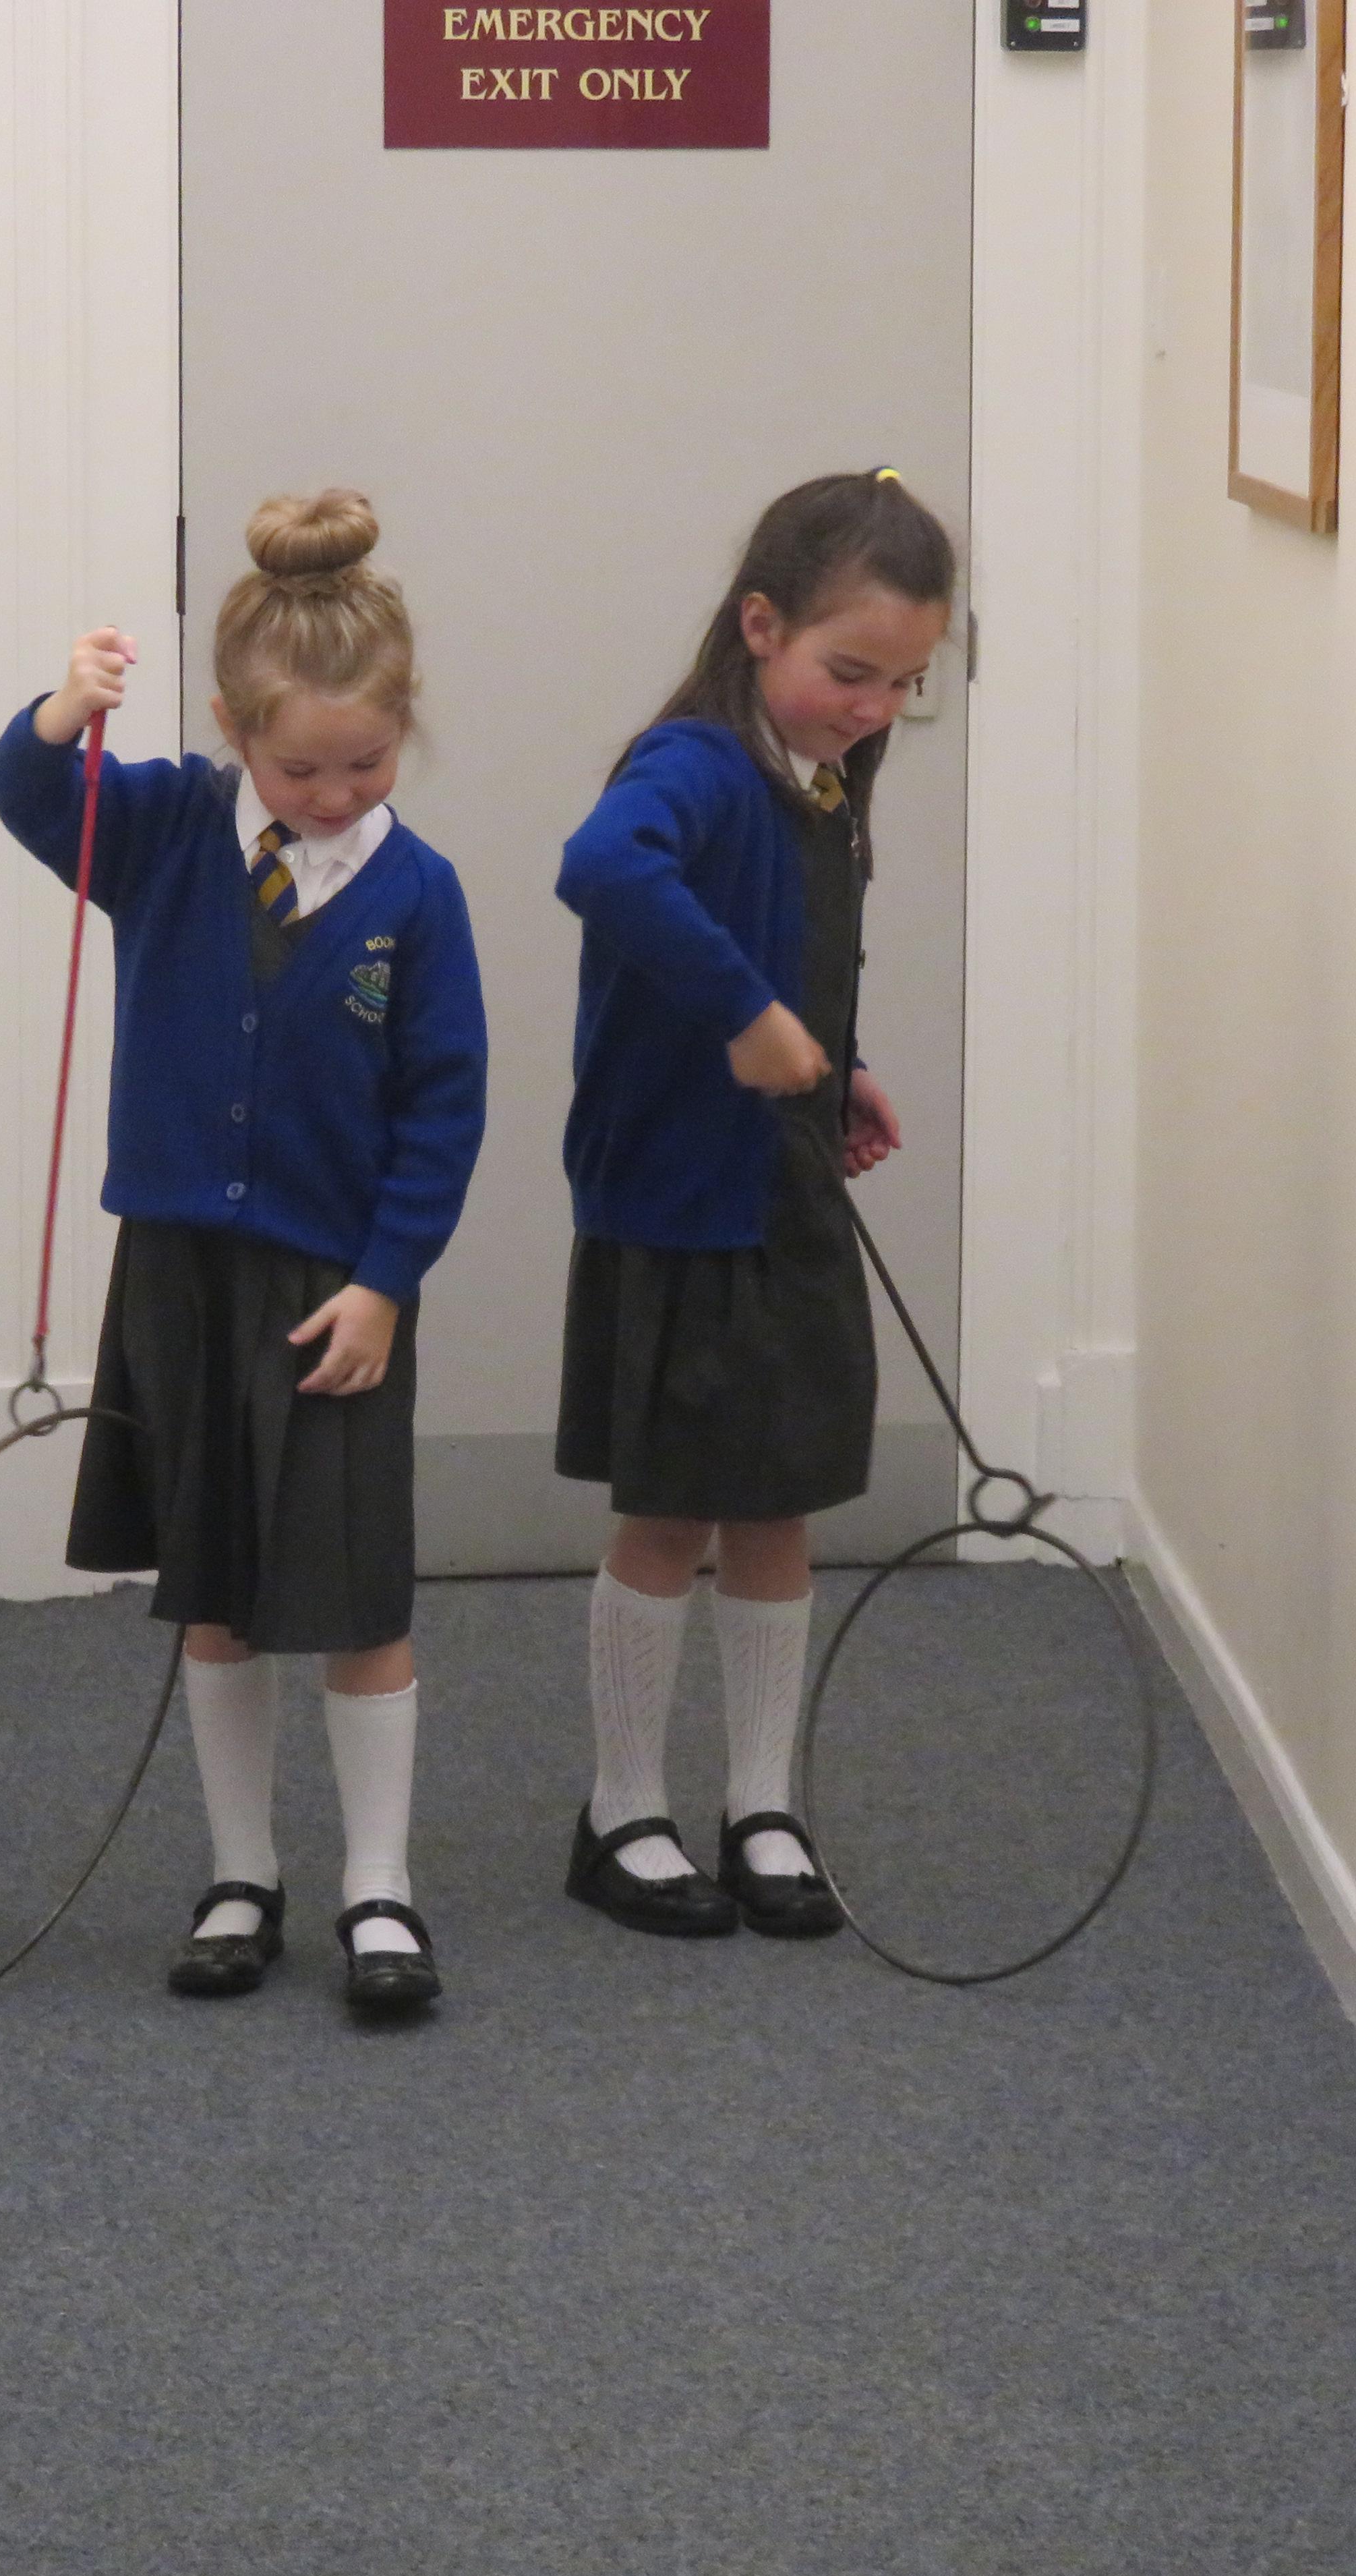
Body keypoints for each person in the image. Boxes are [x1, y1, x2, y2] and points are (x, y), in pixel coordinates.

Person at [0, 490, 487, 2015]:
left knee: (357, 1600)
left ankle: (378, 1886)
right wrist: (64, 709)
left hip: (337, 1297)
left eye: (367, 764)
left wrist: (386, 1283)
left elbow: (444, 1111)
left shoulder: (419, 894)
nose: (335, 795)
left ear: (403, 730)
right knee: (215, 1594)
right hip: (184, 1278)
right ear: (230, 732)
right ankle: (240, 1873)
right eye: (300, 769)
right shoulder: (164, 835)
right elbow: (26, 788)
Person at [549, 469, 957, 1941]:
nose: (873, 708)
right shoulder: (697, 764)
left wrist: (835, 1062)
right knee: (671, 1512)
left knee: (779, 1500)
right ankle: (621, 1812)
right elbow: (603, 867)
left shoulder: (825, 776)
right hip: (681, 1202)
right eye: (850, 673)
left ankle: (762, 1803)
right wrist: (745, 1014)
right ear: (761, 623)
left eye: (905, 685)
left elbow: (792, 947)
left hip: (780, 1187)